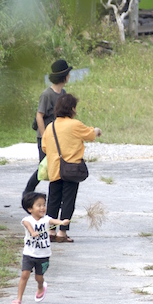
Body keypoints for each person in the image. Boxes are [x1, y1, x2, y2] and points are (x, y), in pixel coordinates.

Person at [41, 93, 101, 243]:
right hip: (71, 170)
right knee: (68, 201)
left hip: (54, 169)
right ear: (72, 109)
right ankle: (62, 232)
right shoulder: (75, 125)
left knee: (53, 201)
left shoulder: (51, 126)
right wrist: (97, 131)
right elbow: (90, 135)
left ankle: (50, 232)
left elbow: (44, 147)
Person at [23, 59, 73, 195]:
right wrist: (45, 135)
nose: (69, 76)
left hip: (57, 137)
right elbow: (39, 115)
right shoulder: (47, 94)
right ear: (64, 76)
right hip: (45, 136)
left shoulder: (63, 93)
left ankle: (57, 196)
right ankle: (28, 191)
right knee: (45, 166)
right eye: (68, 74)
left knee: (56, 167)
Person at [12, 192, 70, 304]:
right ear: (30, 209)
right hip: (29, 254)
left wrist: (62, 222)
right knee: (25, 275)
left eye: (44, 205)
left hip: (43, 255)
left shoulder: (46, 219)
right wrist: (33, 232)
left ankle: (40, 286)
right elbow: (28, 225)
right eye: (39, 205)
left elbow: (54, 221)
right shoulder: (26, 220)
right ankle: (18, 299)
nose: (42, 208)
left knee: (39, 277)